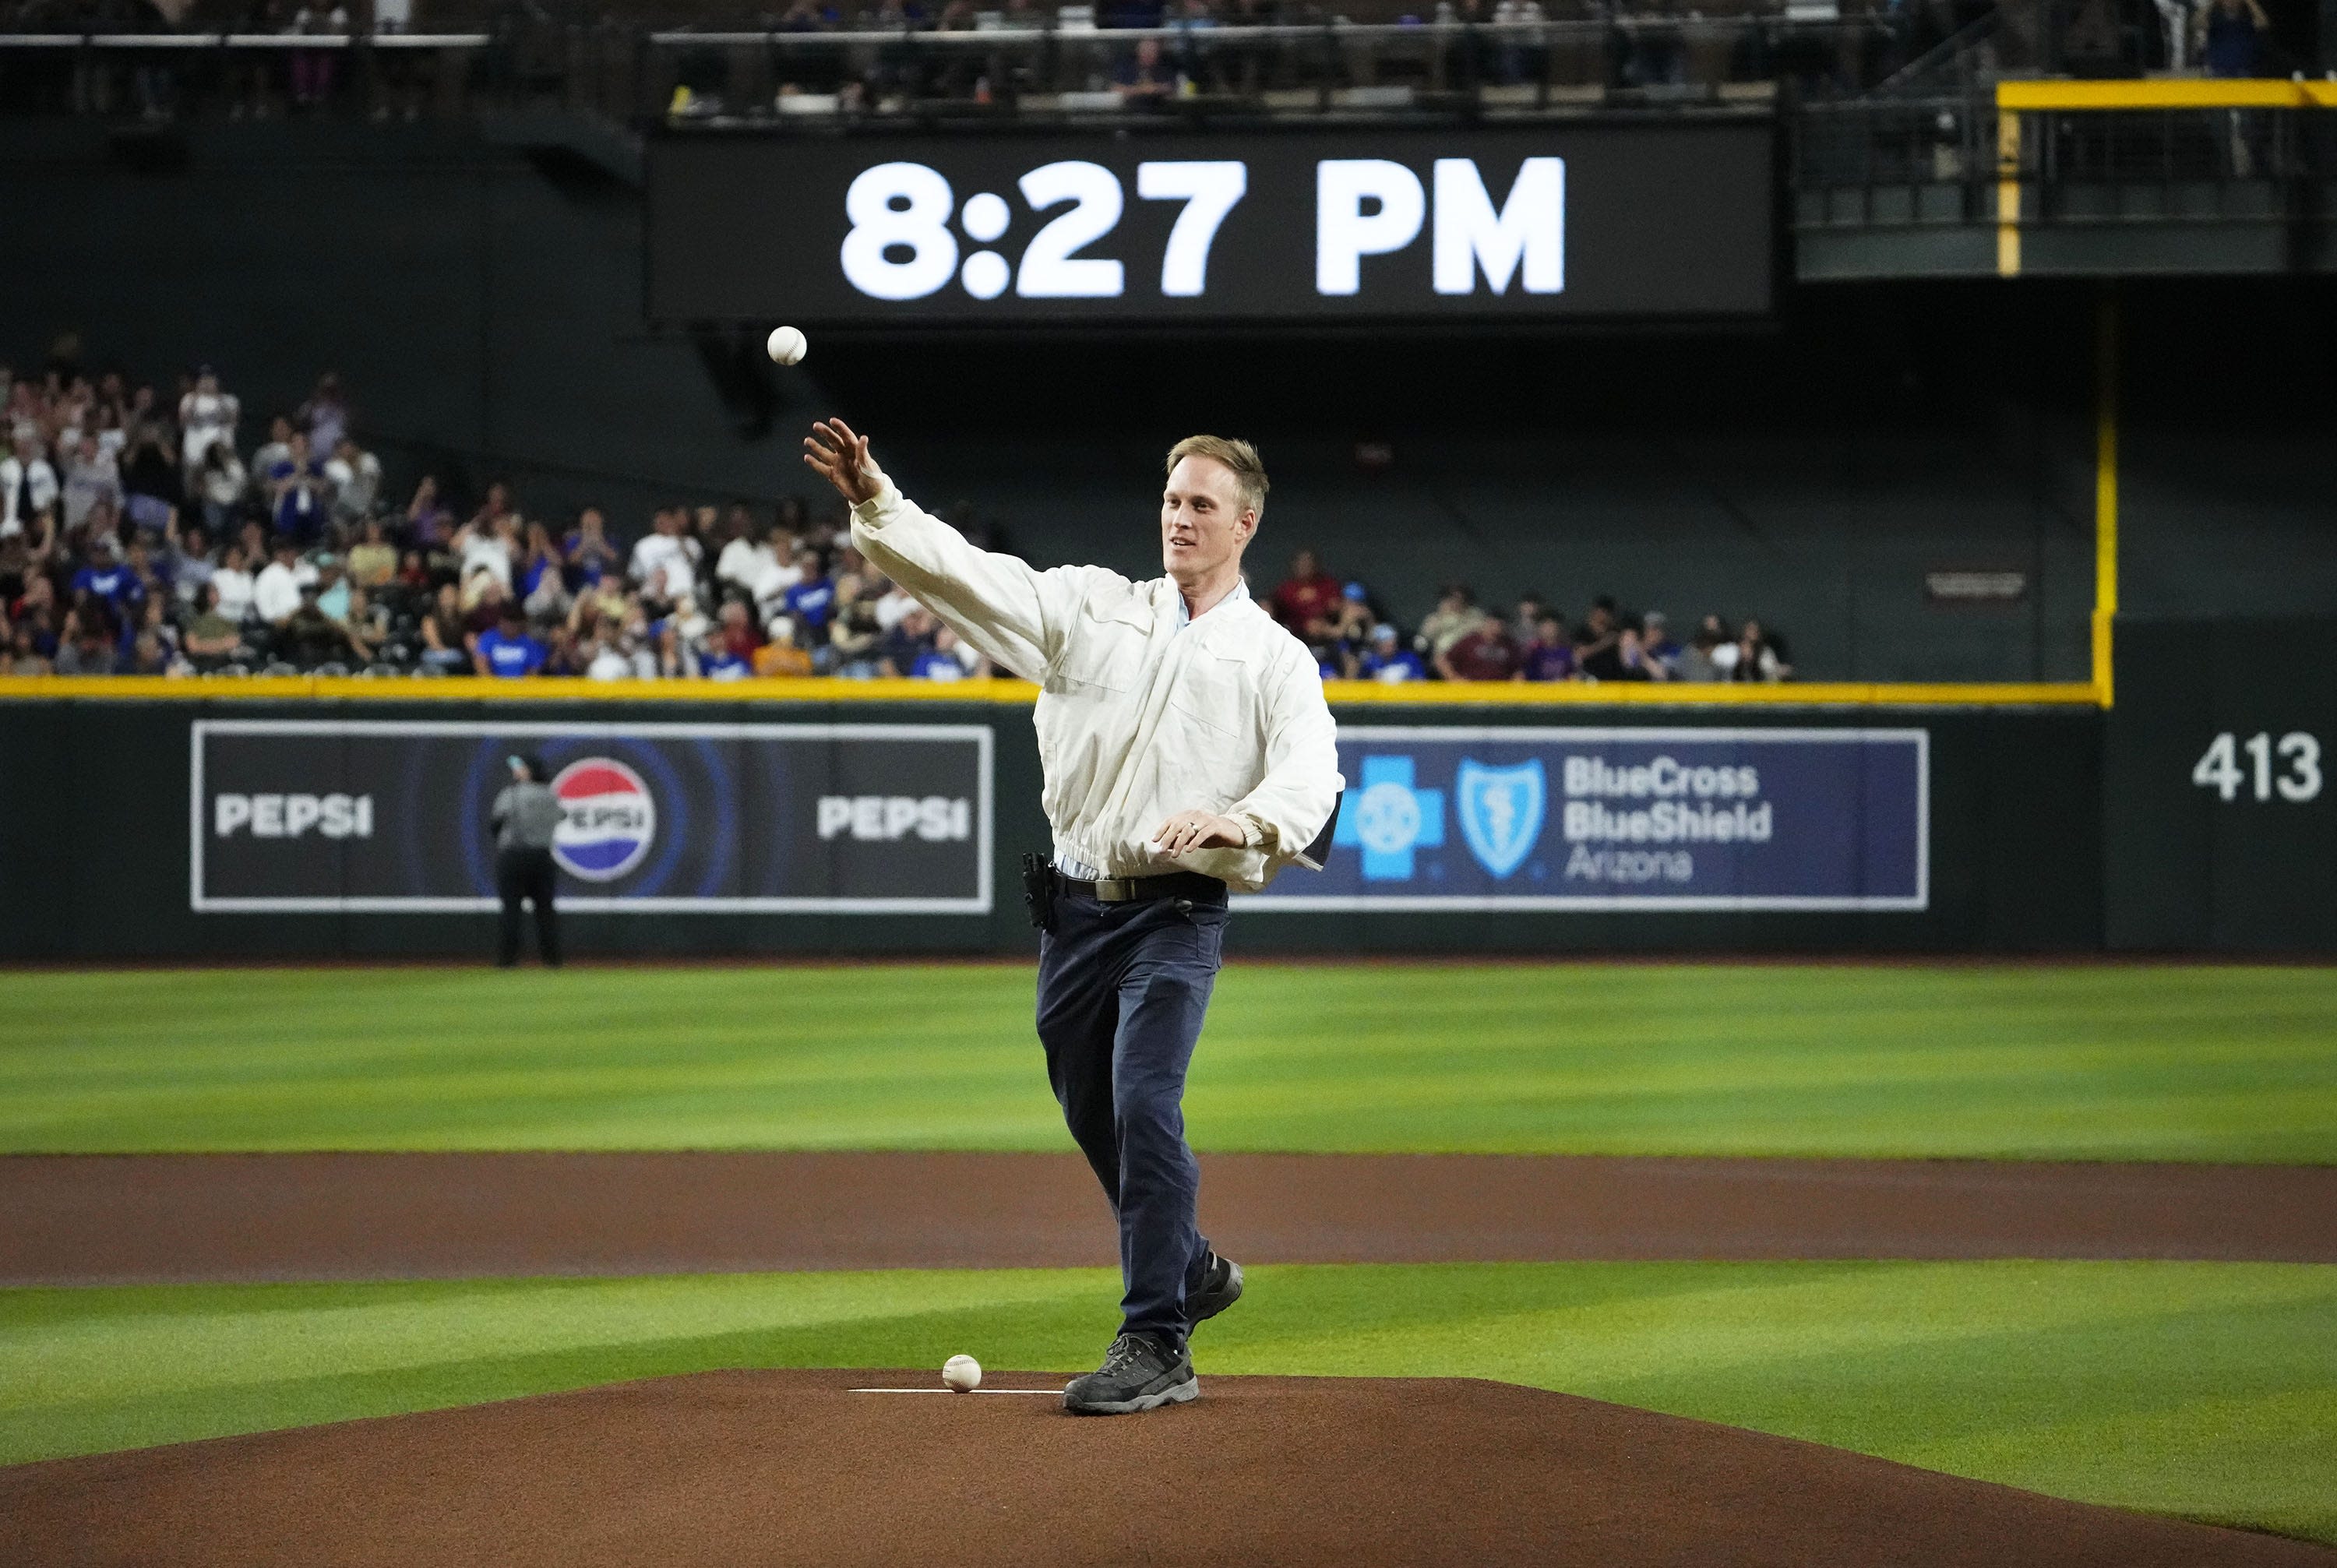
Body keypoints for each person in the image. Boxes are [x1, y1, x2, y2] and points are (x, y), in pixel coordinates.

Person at [807, 418, 1341, 1417]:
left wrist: (1242, 817)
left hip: (1177, 911)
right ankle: (1188, 1266)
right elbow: (966, 576)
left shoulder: (1275, 660)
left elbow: (1313, 776)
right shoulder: (1093, 606)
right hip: (1073, 914)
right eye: (1173, 499)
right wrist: (877, 500)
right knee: (1092, 1111)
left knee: (1144, 1100)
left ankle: (1158, 1340)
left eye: (1202, 505)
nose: (1180, 517)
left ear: (1247, 525)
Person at [489, 754, 564, 967]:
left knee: (512, 909)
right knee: (545, 911)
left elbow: (495, 824)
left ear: (529, 771)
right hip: (542, 858)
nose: (515, 770)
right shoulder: (550, 795)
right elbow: (561, 816)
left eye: (519, 767)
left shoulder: (510, 794)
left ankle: (508, 960)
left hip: (513, 857)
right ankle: (552, 960)